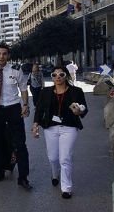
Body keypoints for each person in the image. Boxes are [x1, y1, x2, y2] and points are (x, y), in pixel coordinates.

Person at [0, 43, 32, 190]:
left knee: (20, 144)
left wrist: (25, 105)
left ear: (8, 56)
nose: (1, 56)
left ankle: (23, 177)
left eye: (4, 54)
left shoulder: (16, 70)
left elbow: (23, 89)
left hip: (13, 109)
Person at [32, 66, 88, 199]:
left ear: (66, 76)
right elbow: (39, 110)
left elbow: (84, 109)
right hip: (50, 127)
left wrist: (79, 111)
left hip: (69, 127)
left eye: (61, 74)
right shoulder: (45, 92)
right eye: (54, 75)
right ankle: (55, 173)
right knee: (52, 157)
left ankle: (66, 188)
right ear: (51, 77)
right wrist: (35, 125)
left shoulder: (76, 91)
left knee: (65, 158)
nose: (58, 77)